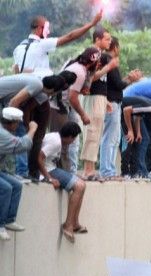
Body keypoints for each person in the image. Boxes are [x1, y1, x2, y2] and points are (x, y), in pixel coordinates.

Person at [0, 72, 76, 181]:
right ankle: (21, 172)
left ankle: (12, 170)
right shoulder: (38, 86)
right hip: (5, 102)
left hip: (3, 101)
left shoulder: (38, 84)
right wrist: (11, 124)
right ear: (53, 90)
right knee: (18, 134)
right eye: (52, 94)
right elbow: (14, 102)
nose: (49, 97)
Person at [49, 47, 102, 173]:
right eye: (98, 62)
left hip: (63, 105)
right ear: (93, 61)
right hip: (58, 105)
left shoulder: (81, 68)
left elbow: (85, 90)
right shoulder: (80, 72)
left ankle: (67, 172)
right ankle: (57, 172)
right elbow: (73, 98)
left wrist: (93, 72)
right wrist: (83, 115)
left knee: (69, 140)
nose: (99, 64)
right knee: (60, 141)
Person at [99, 37, 141, 180]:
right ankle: (107, 171)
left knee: (114, 138)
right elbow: (117, 84)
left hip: (114, 102)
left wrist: (129, 78)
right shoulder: (109, 61)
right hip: (112, 103)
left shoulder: (107, 61)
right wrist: (130, 79)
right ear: (115, 47)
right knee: (110, 138)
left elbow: (116, 84)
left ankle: (109, 169)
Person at [13, 10, 103, 77]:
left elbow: (16, 70)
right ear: (40, 29)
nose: (48, 32)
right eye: (47, 29)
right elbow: (70, 36)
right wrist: (92, 24)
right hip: (37, 90)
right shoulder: (41, 44)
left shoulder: (18, 48)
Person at [38, 122, 86, 243]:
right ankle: (68, 224)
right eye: (74, 138)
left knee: (82, 184)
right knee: (79, 186)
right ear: (70, 136)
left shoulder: (57, 139)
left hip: (52, 168)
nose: (73, 141)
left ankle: (74, 223)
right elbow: (39, 157)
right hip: (48, 170)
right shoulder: (56, 142)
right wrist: (49, 178)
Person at [80, 28, 118, 180]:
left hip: (100, 97)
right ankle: (88, 170)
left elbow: (101, 81)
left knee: (96, 133)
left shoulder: (101, 55)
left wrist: (106, 100)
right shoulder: (92, 53)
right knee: (92, 132)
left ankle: (90, 169)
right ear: (97, 39)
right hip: (92, 97)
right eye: (107, 39)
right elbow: (89, 78)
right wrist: (108, 67)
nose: (110, 42)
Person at [0, 107, 38, 241]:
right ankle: (0, 225)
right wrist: (32, 129)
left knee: (16, 185)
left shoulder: (4, 131)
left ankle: (9, 220)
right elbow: (23, 145)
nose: (18, 126)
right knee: (6, 188)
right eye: (17, 123)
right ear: (12, 123)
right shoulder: (3, 135)